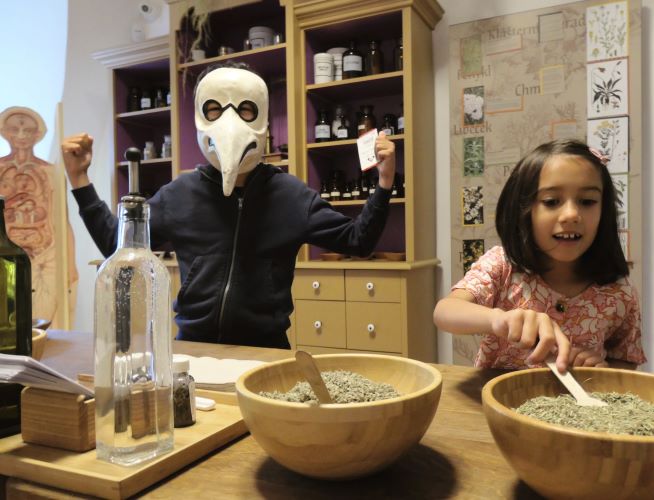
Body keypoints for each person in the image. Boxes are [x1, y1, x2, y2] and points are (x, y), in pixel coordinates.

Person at [61, 62, 396, 348]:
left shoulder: (291, 196)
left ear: (263, 117)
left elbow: (358, 241)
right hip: (195, 348)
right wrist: (80, 181)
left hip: (266, 349)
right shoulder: (180, 193)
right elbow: (116, 245)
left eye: (246, 109)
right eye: (215, 109)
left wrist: (383, 184)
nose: (230, 122)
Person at [434, 139, 645, 372]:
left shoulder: (619, 292)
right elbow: (445, 312)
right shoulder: (503, 265)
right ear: (524, 209)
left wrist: (602, 369)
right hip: (494, 402)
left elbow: (626, 359)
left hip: (575, 406)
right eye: (551, 201)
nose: (572, 214)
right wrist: (499, 319)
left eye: (587, 201)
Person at [0, 106, 79, 328]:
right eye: (15, 129)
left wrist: (70, 265)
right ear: (5, 132)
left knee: (46, 322)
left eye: (28, 130)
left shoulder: (51, 172)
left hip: (45, 253)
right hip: (5, 255)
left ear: (38, 134)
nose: (21, 136)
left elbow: (62, 220)